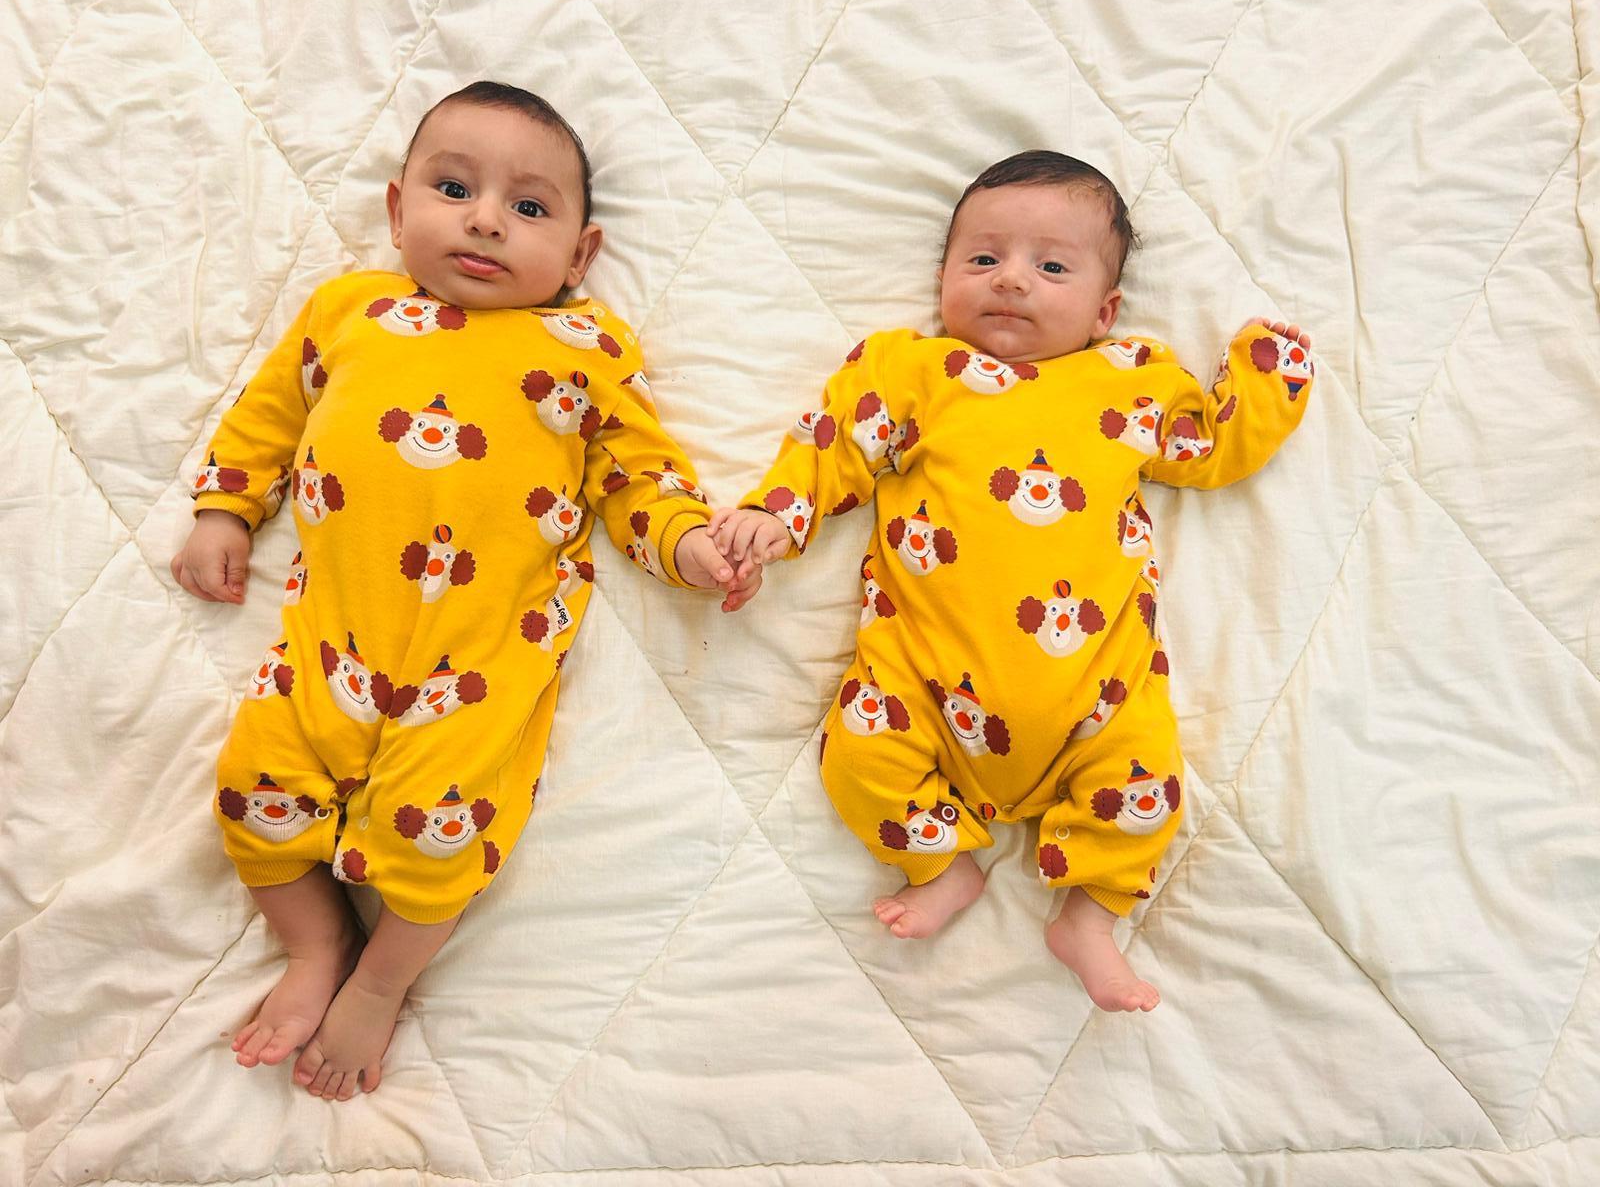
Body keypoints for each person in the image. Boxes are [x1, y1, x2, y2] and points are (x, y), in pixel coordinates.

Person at [171, 81, 741, 1098]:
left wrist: (688, 543)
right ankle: (314, 946)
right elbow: (268, 416)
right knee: (250, 796)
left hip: (478, 663)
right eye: (452, 189)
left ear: (580, 255)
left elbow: (637, 474)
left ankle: (380, 981)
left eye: (528, 207)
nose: (484, 219)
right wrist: (225, 508)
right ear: (398, 212)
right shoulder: (350, 311)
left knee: (439, 833)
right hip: (329, 641)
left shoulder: (587, 349)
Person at [707, 150, 1314, 1013]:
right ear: (943, 279)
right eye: (984, 259)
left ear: (1105, 311)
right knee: (859, 757)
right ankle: (942, 863)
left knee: (1148, 786)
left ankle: (1089, 918)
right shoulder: (914, 372)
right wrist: (777, 516)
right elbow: (833, 446)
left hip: (1096, 693)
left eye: (1052, 267)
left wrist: (1268, 376)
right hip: (923, 679)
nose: (1012, 280)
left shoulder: (1129, 381)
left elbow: (1210, 450)